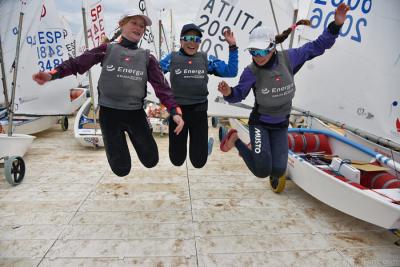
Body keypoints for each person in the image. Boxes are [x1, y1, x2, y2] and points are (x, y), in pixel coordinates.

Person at [32, 9, 184, 177]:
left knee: (151, 160)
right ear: (121, 25)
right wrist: (52, 74)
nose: (139, 28)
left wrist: (174, 111)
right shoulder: (107, 49)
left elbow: (162, 87)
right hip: (109, 114)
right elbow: (76, 64)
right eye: (134, 23)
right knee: (121, 169)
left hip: (135, 114)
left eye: (142, 26)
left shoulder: (147, 58)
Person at [217, 3, 350, 191]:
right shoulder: (251, 72)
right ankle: (235, 140)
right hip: (260, 122)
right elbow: (237, 95)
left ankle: (260, 149)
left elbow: (319, 46)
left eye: (262, 51)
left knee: (278, 170)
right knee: (262, 170)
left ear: (272, 47)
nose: (258, 56)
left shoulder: (289, 58)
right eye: (254, 51)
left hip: (281, 124)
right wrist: (228, 92)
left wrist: (336, 24)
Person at [159, 23, 238, 168]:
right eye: (188, 38)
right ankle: (195, 148)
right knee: (176, 160)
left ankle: (204, 147)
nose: (192, 42)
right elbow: (154, 73)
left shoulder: (205, 59)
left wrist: (232, 46)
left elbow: (231, 71)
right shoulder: (172, 57)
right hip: (178, 114)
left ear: (199, 43)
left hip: (199, 112)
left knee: (198, 162)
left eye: (196, 39)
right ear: (181, 41)